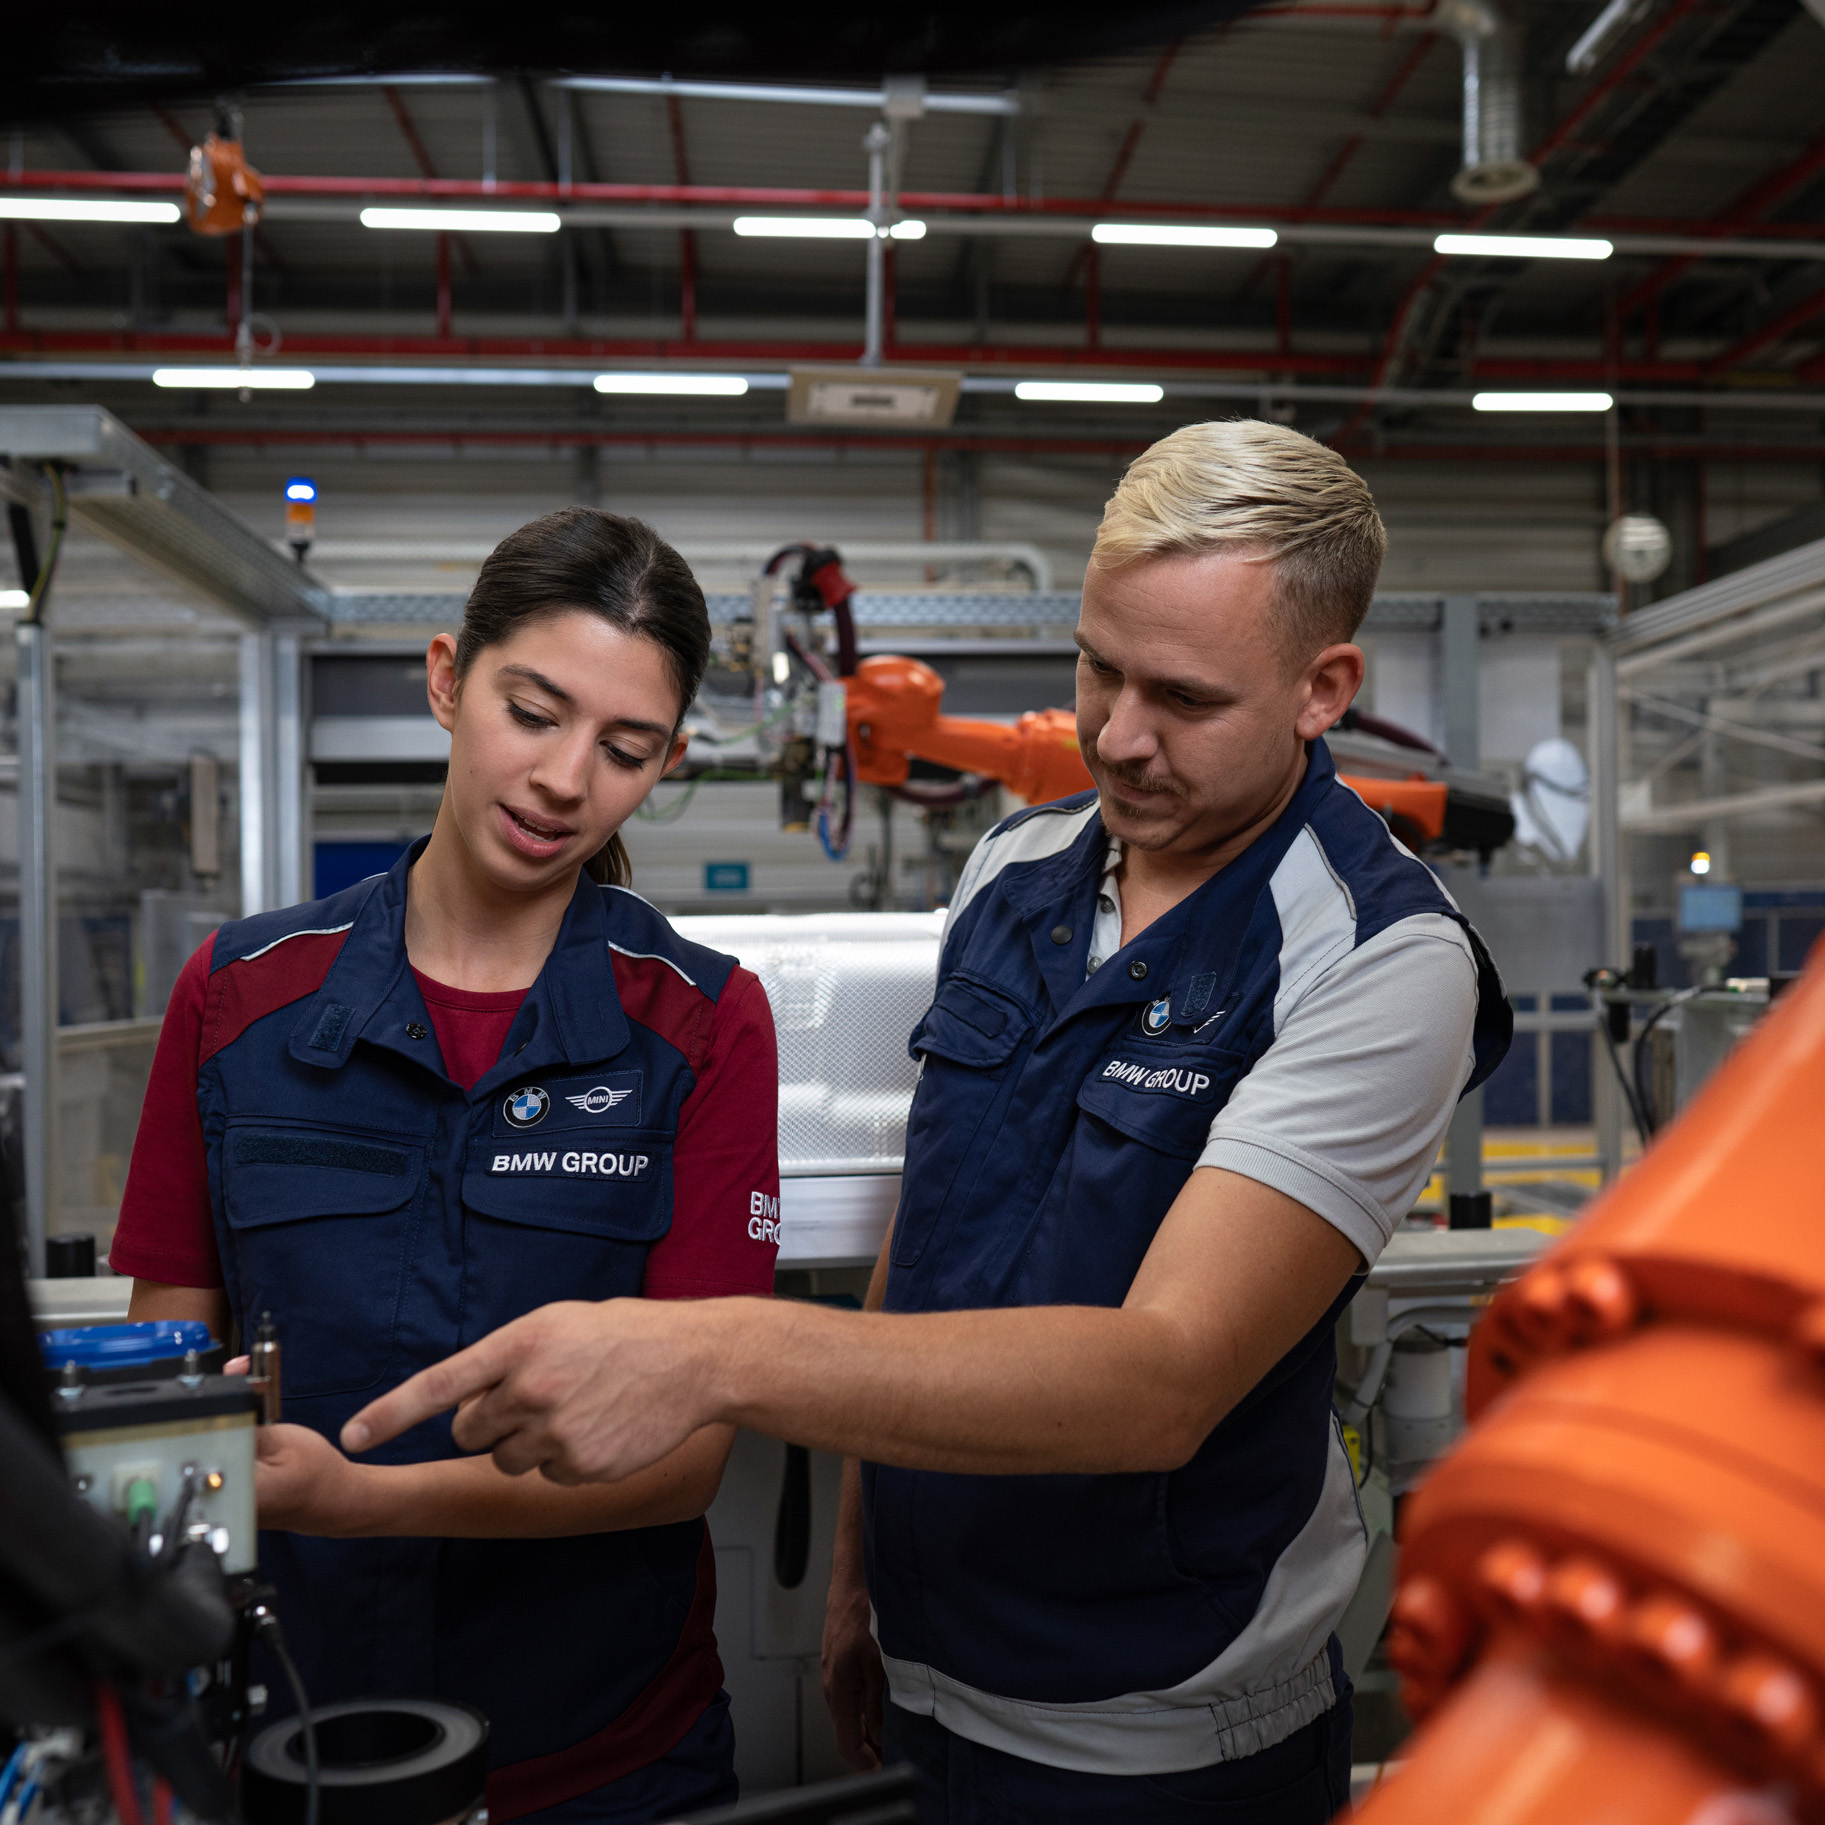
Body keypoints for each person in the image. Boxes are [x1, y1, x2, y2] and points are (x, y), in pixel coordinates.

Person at [340, 423, 1513, 1822]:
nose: (1116, 735)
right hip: (926, 1672)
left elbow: (1163, 1381)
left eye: (1183, 697)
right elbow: (935, 1225)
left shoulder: (1378, 957)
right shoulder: (1016, 867)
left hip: (1160, 1731)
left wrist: (711, 1350)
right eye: (1097, 668)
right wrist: (858, 1571)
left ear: (1323, 689)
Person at [109, 509, 781, 1824]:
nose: (565, 780)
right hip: (295, 1746)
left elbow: (687, 1452)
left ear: (665, 763)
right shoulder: (239, 997)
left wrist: (364, 1499)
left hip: (608, 1763)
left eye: (624, 749)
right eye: (532, 712)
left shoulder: (700, 1023)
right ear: (445, 679)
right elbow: (167, 1377)